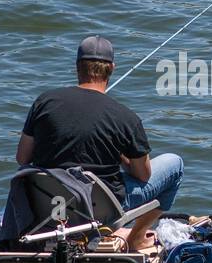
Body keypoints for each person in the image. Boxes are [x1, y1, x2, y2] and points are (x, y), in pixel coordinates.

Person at [14, 35, 183, 247]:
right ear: (111, 68)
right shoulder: (125, 117)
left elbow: (22, 158)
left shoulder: (44, 102)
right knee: (175, 165)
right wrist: (119, 152)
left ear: (78, 67)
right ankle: (136, 238)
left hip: (48, 203)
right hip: (101, 209)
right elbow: (143, 175)